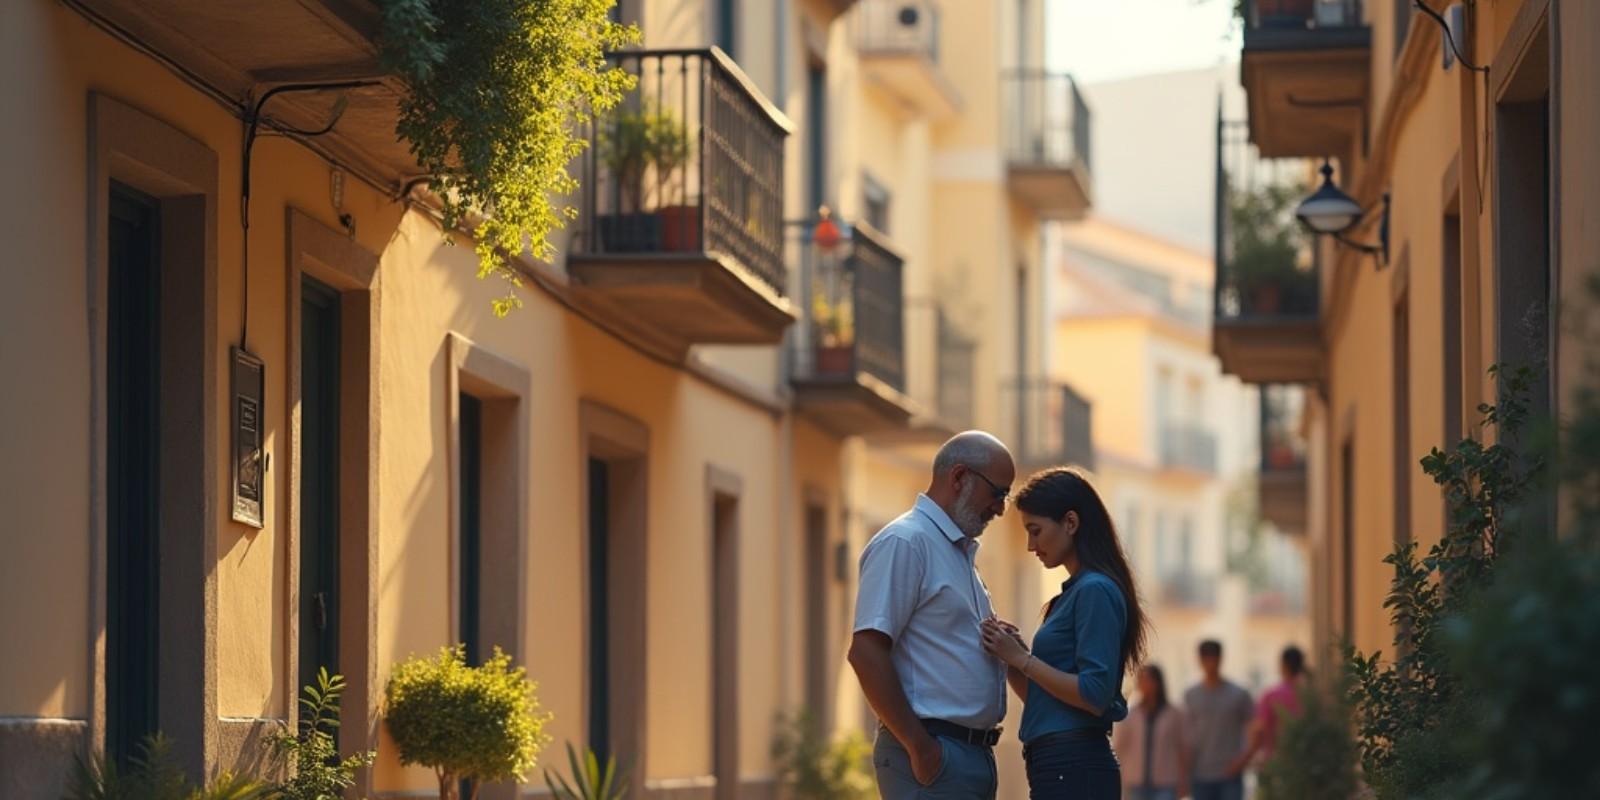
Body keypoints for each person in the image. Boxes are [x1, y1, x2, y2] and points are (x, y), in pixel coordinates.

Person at [849, 431, 1018, 799]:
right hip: (932, 757)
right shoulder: (906, 542)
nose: (1002, 508)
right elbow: (865, 652)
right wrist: (920, 748)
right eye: (998, 493)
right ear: (959, 478)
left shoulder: (957, 553)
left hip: (964, 756)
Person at [979, 467, 1149, 799]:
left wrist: (1024, 659)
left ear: (1070, 523)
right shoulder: (1071, 594)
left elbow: (1094, 693)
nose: (1031, 545)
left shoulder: (1095, 590)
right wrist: (1011, 659)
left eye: (1036, 531)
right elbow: (1049, 700)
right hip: (1056, 762)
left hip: (1074, 764)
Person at [1183, 640, 1253, 800]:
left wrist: (1242, 761)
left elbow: (1255, 731)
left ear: (1220, 659)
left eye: (1213, 658)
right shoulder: (1190, 695)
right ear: (1199, 660)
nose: (1210, 663)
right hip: (1200, 774)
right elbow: (1186, 736)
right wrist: (1185, 772)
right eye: (1206, 658)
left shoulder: (1239, 694)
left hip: (1230, 775)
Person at [1113, 665, 1190, 800]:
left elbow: (1183, 748)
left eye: (1149, 680)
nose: (1145, 684)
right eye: (1142, 680)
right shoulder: (1130, 714)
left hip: (1166, 782)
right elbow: (1119, 748)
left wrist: (1184, 780)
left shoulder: (1175, 713)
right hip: (1135, 782)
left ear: (1158, 683)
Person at [1228, 645, 1306, 776]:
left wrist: (1245, 759)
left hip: (1274, 765)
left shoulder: (1272, 695)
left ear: (1283, 665)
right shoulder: (1309, 695)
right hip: (1305, 764)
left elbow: (1259, 730)